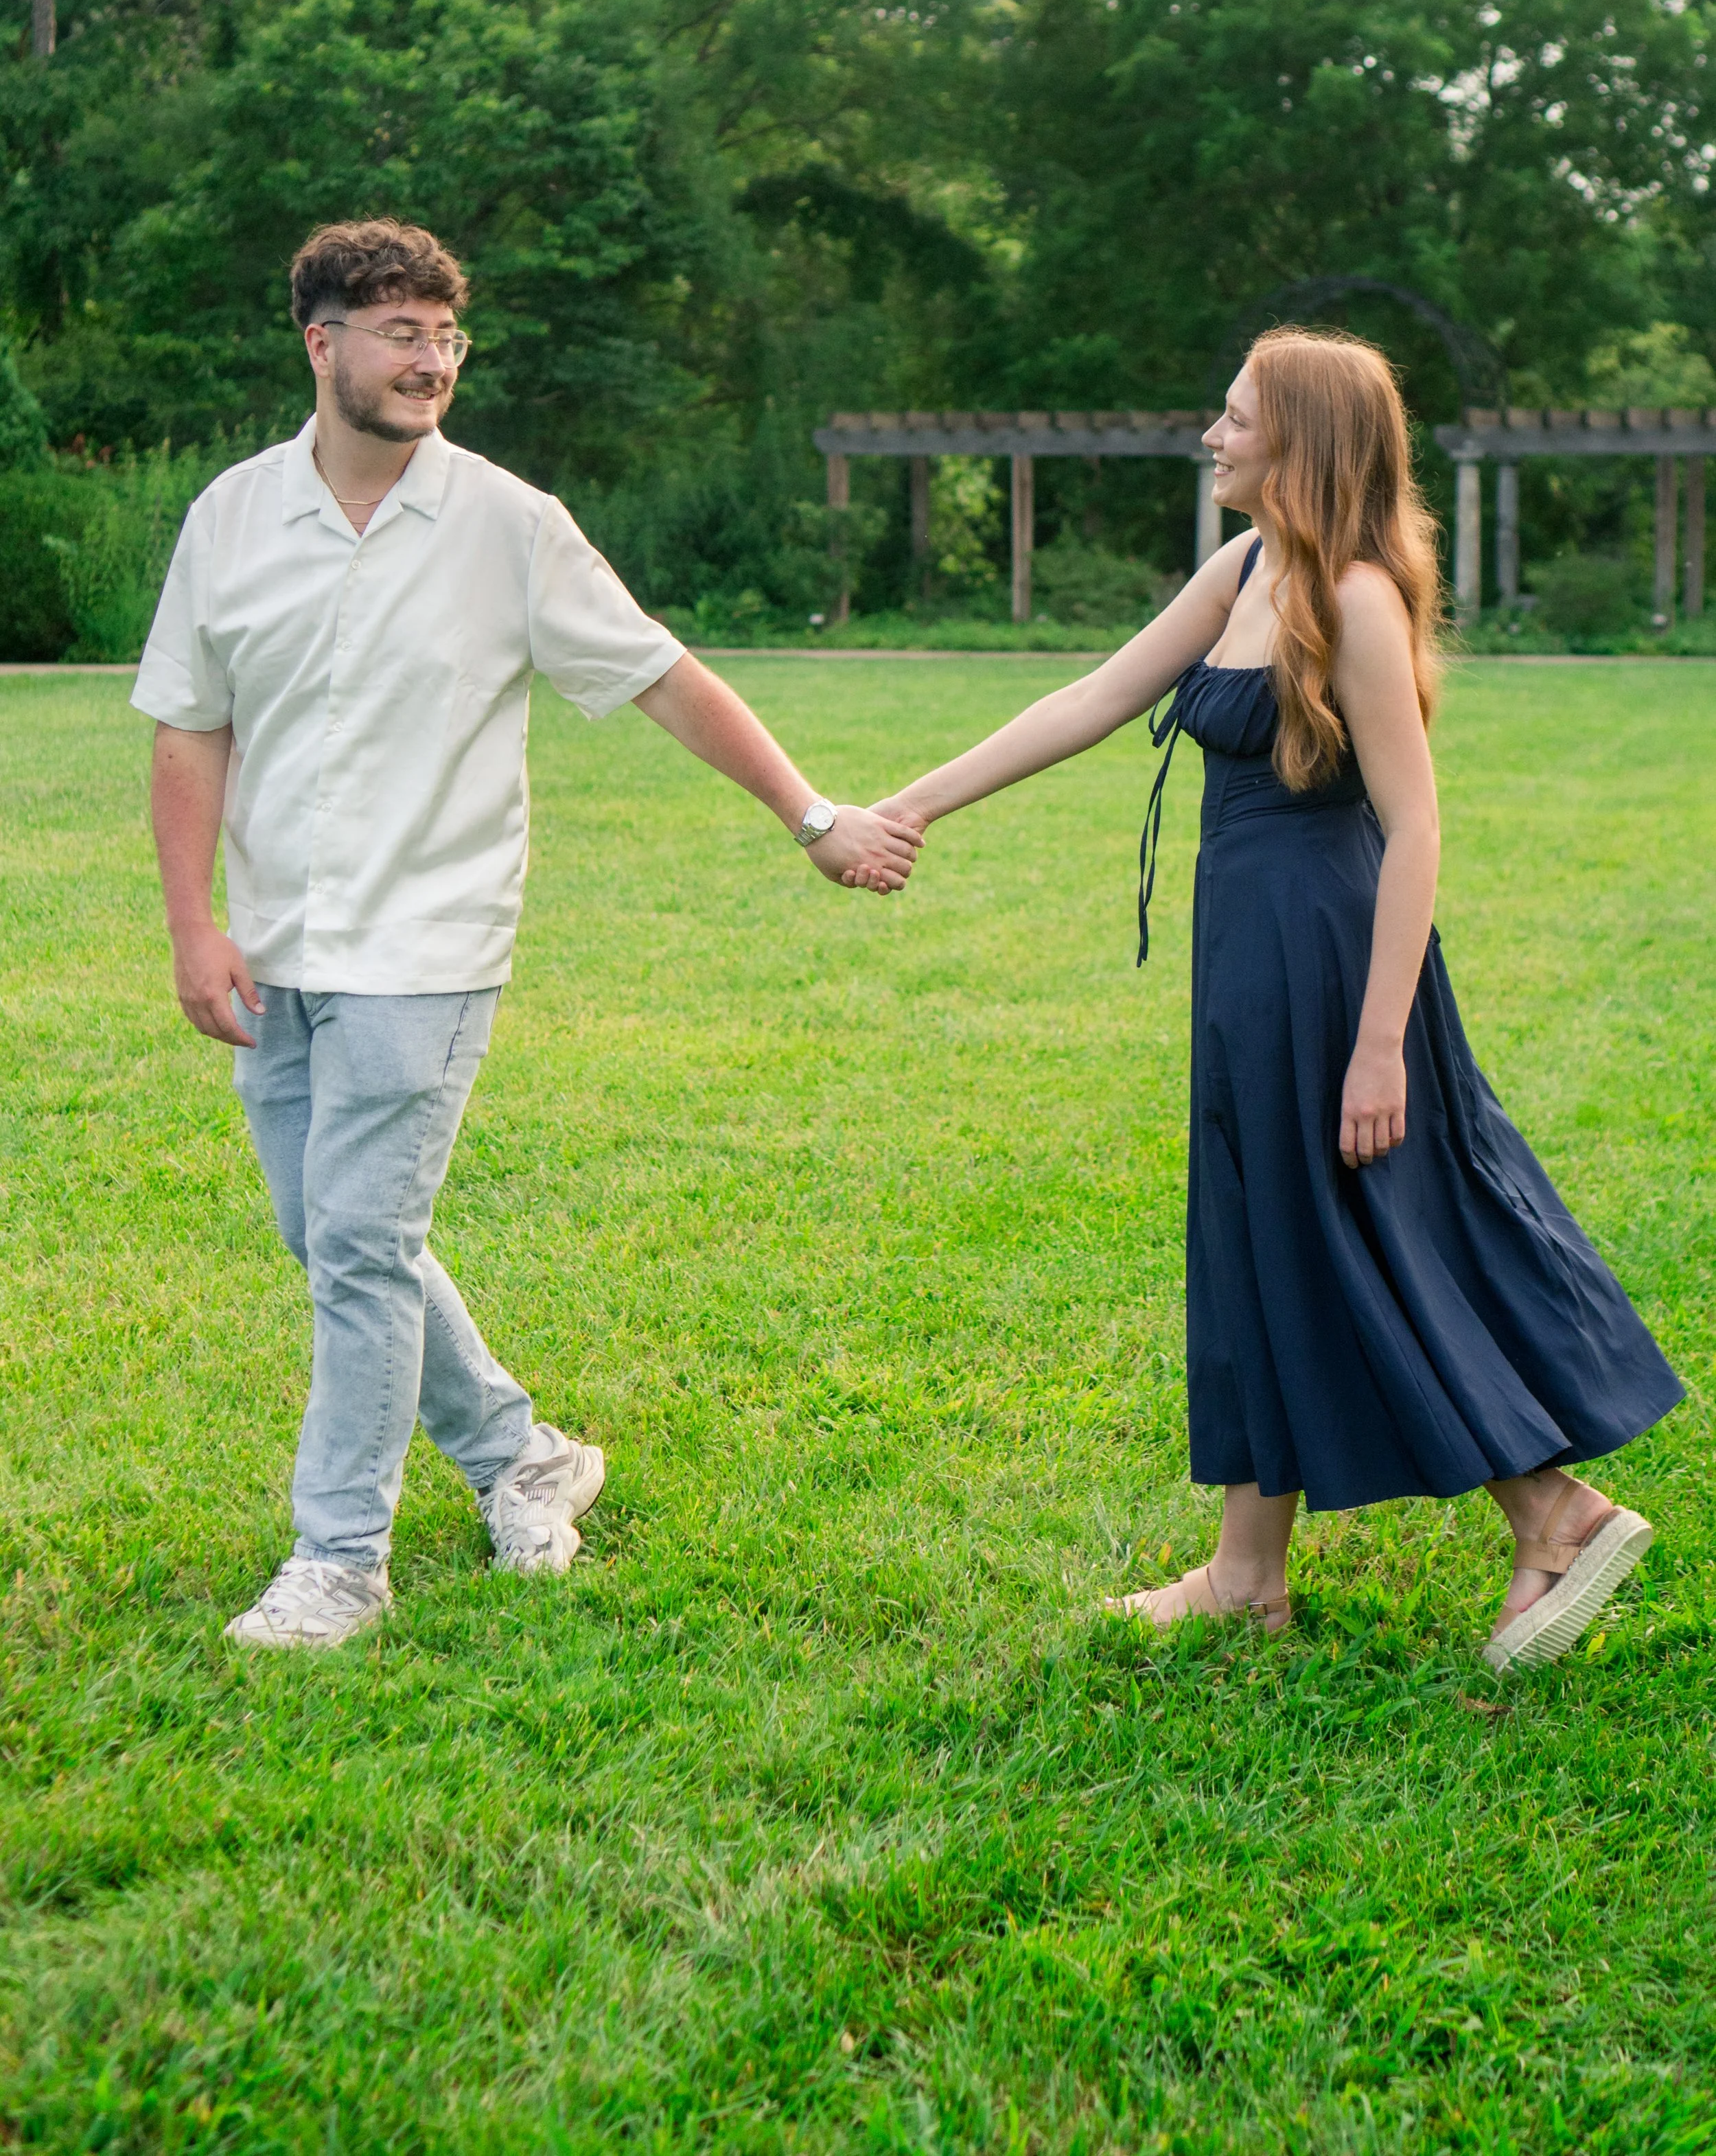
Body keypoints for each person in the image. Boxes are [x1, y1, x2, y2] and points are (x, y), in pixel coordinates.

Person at [134, 216, 920, 1652]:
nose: (432, 360)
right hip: (277, 946)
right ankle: (521, 1457)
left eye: (446, 335)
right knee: (332, 1239)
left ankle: (340, 1563)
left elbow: (662, 677)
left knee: (362, 1243)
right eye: (401, 333)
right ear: (323, 346)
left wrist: (808, 815)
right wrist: (194, 927)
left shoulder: (507, 522)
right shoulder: (231, 519)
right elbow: (192, 733)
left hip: (428, 944)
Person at [876, 328, 1681, 1671]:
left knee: (1347, 1235)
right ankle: (1247, 1572)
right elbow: (1092, 697)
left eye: (1236, 417)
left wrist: (1378, 1049)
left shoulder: (1352, 598)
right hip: (1248, 953)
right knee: (1266, 1229)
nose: (1211, 433)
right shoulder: (1245, 568)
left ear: (1298, 441)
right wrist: (909, 806)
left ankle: (1555, 1508)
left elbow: (1412, 827)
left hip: (1329, 958)